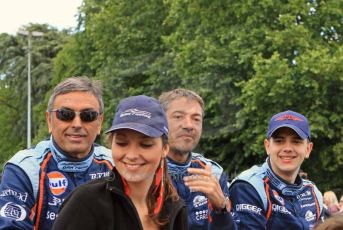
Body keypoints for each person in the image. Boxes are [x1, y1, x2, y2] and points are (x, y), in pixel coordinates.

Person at [52, 95, 188, 230]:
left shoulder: (175, 208)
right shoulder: (85, 202)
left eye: (145, 144)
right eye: (122, 143)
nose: (132, 155)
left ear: (164, 149)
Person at [0, 76, 114, 229]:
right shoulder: (25, 169)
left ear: (99, 122)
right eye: (65, 115)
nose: (77, 124)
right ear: (49, 120)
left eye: (88, 116)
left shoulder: (115, 164)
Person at [229, 110, 324, 229]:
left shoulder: (313, 192)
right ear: (267, 146)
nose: (288, 148)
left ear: (308, 149)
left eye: (296, 141)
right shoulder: (248, 186)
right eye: (279, 141)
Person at [159, 88, 235, 229]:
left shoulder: (213, 173)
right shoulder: (144, 169)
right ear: (160, 121)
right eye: (178, 116)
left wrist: (221, 208)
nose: (189, 125)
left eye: (196, 119)